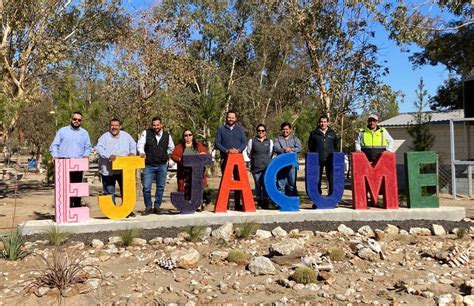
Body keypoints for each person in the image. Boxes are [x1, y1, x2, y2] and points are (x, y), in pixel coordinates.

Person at [49, 111, 92, 207]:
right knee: (63, 188)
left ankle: (76, 206)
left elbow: (88, 147)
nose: (77, 121)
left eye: (79, 120)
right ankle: (64, 208)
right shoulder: (62, 131)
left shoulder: (84, 133)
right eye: (75, 119)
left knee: (77, 187)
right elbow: (54, 146)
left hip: (78, 164)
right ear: (71, 119)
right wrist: (55, 156)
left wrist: (86, 155)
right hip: (63, 163)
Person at [96, 118, 137, 217]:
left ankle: (127, 210)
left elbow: (133, 145)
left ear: (120, 126)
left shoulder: (126, 136)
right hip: (108, 170)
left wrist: (132, 153)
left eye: (116, 125)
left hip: (123, 171)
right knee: (110, 192)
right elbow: (99, 149)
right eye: (112, 126)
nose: (114, 127)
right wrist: (109, 155)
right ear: (110, 126)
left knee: (126, 191)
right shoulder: (104, 137)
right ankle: (113, 212)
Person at [137, 116, 175, 215]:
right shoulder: (146, 133)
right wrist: (141, 152)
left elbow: (172, 148)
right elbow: (140, 145)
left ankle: (157, 206)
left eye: (158, 125)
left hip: (162, 165)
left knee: (161, 187)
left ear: (161, 125)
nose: (156, 127)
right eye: (154, 125)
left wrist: (165, 154)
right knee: (146, 187)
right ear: (152, 125)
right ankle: (148, 207)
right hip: (149, 165)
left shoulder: (167, 135)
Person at [214, 110, 247, 210]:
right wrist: (226, 150)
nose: (231, 119)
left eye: (233, 117)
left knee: (238, 181)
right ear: (226, 118)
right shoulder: (221, 130)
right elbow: (217, 143)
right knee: (225, 182)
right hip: (226, 159)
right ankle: (225, 205)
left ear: (236, 119)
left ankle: (238, 205)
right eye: (229, 117)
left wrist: (238, 150)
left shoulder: (240, 130)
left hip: (238, 160)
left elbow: (244, 142)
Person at [170, 128, 208, 203]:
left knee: (197, 189)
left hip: (196, 173)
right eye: (186, 135)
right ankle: (185, 205)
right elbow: (173, 156)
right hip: (184, 173)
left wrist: (203, 154)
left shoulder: (198, 145)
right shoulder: (179, 147)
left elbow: (206, 153)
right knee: (184, 189)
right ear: (183, 137)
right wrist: (180, 159)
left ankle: (197, 204)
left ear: (192, 136)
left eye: (190, 135)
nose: (188, 137)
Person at [308, 115, 339, 195]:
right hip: (317, 160)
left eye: (325, 122)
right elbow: (310, 146)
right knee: (317, 179)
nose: (323, 124)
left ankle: (332, 198)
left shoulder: (332, 133)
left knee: (332, 179)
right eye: (321, 122)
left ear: (327, 123)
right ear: (319, 123)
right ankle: (317, 199)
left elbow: (336, 146)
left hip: (330, 160)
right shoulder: (314, 133)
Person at [247, 124, 273, 209]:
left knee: (266, 184)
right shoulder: (252, 141)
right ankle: (258, 202)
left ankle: (265, 202)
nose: (261, 132)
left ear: (265, 132)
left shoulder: (270, 141)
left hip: (267, 167)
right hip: (256, 167)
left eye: (263, 131)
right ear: (257, 131)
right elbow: (249, 153)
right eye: (259, 130)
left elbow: (270, 153)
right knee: (258, 185)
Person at [274, 122, 302, 197]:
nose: (285, 131)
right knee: (280, 185)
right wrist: (284, 150)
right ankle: (281, 203)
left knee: (292, 185)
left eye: (287, 129)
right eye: (283, 129)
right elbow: (276, 148)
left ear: (290, 130)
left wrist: (291, 149)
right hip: (281, 165)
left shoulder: (295, 138)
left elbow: (299, 148)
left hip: (292, 165)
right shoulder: (277, 139)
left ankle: (293, 203)